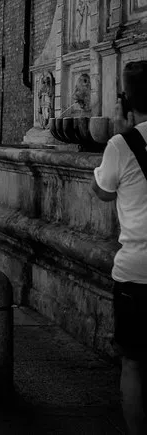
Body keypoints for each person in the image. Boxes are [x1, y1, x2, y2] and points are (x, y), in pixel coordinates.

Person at [93, 61, 147, 435]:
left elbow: (101, 191)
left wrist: (121, 127)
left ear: (126, 98)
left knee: (133, 363)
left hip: (136, 273)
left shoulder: (120, 145)